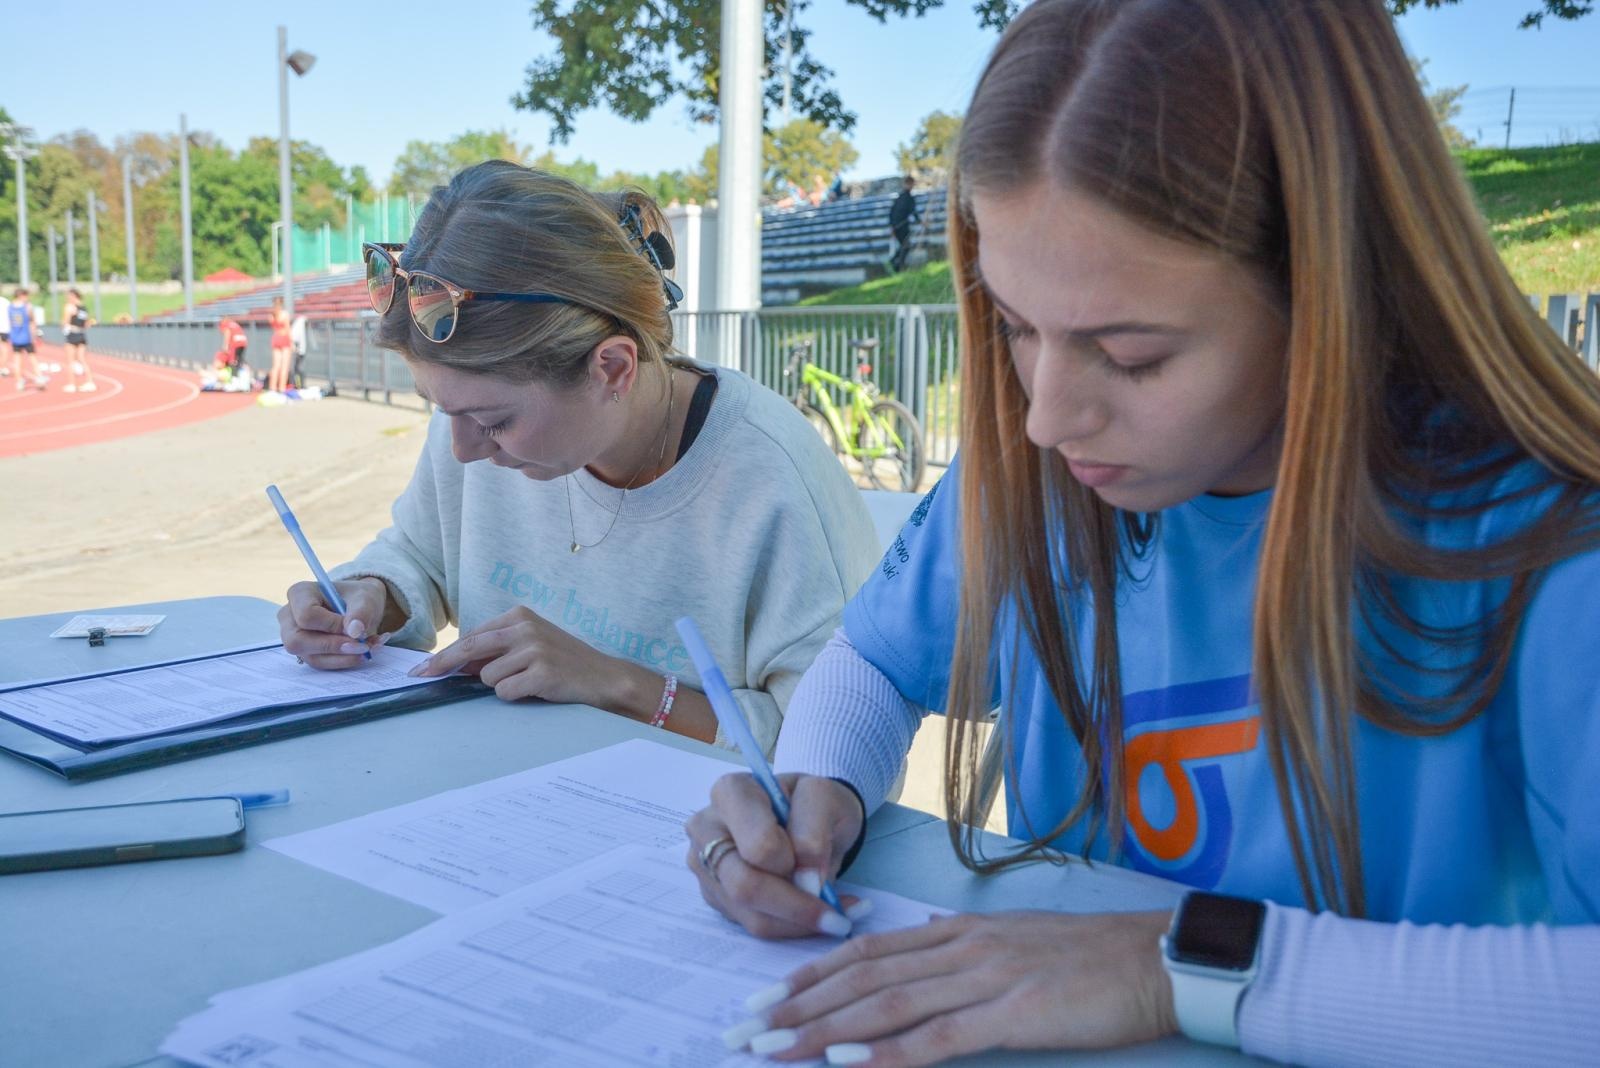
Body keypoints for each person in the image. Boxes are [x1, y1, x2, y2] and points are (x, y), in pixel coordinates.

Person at [686, 2, 1600, 1065]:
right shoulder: (1036, 474)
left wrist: (1179, 962)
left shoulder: (1541, 539)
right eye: (1018, 329)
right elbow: (877, 660)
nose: (1044, 418)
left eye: (1131, 356)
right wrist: (816, 790)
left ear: (1330, 286)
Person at [277, 161, 880, 754]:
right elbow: (419, 557)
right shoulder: (473, 418)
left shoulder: (770, 479)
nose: (463, 451)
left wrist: (616, 684)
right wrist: (373, 597)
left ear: (612, 367)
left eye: (493, 422)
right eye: (439, 408)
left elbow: (836, 744)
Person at [6, 288, 47, 390]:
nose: (28, 298)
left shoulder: (10, 307)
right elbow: (32, 322)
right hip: (26, 337)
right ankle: (39, 377)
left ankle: (19, 381)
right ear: (21, 296)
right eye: (26, 296)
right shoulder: (27, 307)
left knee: (17, 359)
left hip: (15, 337)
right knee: (32, 358)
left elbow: (10, 323)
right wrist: (35, 335)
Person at [60, 287, 96, 393]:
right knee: (82, 359)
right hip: (81, 334)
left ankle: (72, 384)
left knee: (70, 361)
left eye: (68, 296)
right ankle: (90, 382)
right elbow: (87, 324)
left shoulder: (70, 307)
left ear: (73, 296)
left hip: (72, 334)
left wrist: (63, 326)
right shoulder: (83, 308)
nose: (66, 298)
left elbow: (65, 321)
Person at [885, 177, 920, 272]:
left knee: (904, 246)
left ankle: (896, 263)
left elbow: (892, 213)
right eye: (909, 183)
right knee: (905, 246)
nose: (910, 186)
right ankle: (897, 264)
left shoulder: (901, 197)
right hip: (901, 226)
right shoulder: (904, 198)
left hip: (899, 226)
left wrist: (892, 226)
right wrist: (920, 222)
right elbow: (913, 212)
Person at [267, 296, 293, 394]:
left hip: (276, 338)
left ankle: (272, 387)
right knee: (284, 366)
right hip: (284, 338)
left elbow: (274, 326)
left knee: (276, 365)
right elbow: (287, 329)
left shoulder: (271, 315)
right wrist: (292, 342)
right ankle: (282, 388)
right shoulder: (284, 314)